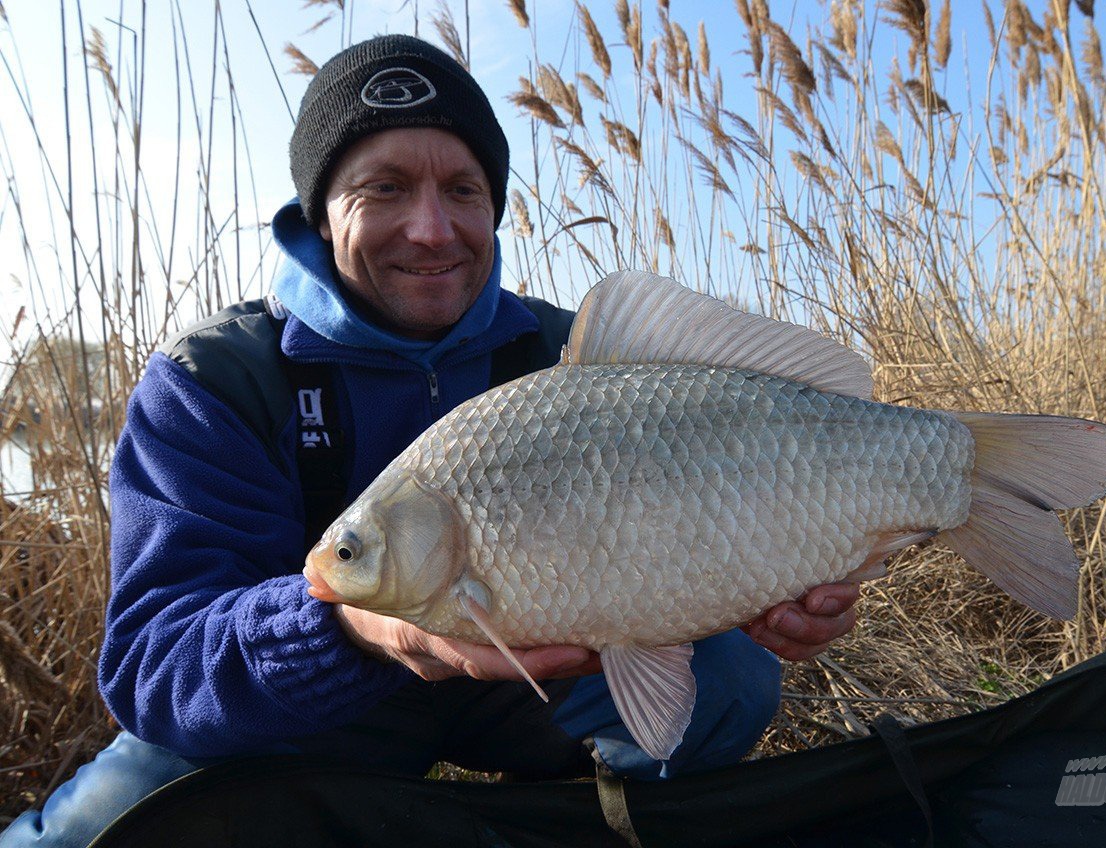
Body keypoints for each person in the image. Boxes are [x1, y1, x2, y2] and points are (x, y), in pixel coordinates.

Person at [0, 35, 860, 847]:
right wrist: (356, 632)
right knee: (102, 831)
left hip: (545, 682)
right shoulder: (215, 381)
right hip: (304, 710)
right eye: (383, 187)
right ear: (320, 211)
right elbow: (157, 662)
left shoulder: (579, 359)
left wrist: (762, 580)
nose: (431, 229)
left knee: (730, 680)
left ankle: (578, 817)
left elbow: (728, 508)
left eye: (463, 190)